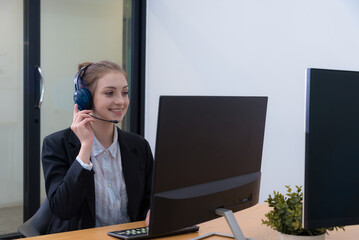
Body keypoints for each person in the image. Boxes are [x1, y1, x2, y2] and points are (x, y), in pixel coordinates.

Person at [42, 60, 153, 234]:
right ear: (85, 99)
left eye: (125, 93)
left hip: (129, 236)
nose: (120, 101)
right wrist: (85, 149)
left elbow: (149, 198)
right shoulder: (57, 144)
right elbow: (63, 209)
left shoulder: (139, 146)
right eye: (109, 93)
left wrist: (151, 211)